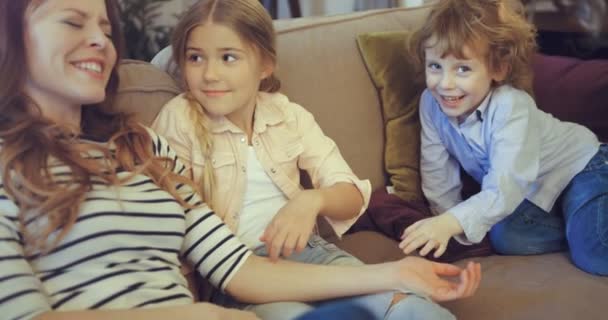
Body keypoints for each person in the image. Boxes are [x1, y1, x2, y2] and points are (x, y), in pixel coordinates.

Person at [0, 1, 482, 320]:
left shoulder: (141, 147)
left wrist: (394, 272)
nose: (101, 41)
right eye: (72, 21)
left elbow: (232, 266)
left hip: (279, 270)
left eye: (105, 28)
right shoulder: (11, 164)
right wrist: (195, 314)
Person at [150, 0, 478, 319]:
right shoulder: (179, 120)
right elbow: (177, 226)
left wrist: (311, 200)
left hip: (311, 255)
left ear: (265, 64)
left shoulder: (287, 115)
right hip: (238, 276)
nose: (209, 74)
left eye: (228, 58)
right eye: (195, 58)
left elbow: (351, 194)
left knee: (411, 309)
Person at [399, 0, 608, 276]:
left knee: (593, 254)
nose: (445, 83)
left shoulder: (511, 106)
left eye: (462, 69)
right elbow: (437, 173)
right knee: (506, 237)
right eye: (435, 66)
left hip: (582, 167)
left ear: (499, 69)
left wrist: (452, 221)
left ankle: (585, 225)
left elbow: (505, 187)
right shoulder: (431, 103)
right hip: (532, 191)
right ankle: (578, 223)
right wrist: (443, 224)